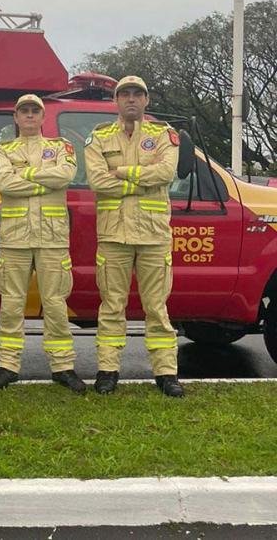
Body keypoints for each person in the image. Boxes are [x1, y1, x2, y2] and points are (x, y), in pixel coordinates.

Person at [85, 75, 183, 397]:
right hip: (114, 235)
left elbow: (166, 173)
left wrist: (124, 172)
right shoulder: (99, 137)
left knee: (157, 307)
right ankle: (108, 370)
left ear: (146, 100)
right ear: (115, 101)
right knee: (112, 305)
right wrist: (143, 181)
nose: (130, 99)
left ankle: (166, 374)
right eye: (124, 94)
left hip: (154, 236)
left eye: (136, 94)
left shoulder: (163, 135)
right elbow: (98, 181)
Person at [0, 94, 86, 393]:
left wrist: (24, 174)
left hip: (52, 239)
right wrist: (44, 178)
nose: (29, 116)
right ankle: (7, 366)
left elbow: (65, 175)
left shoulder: (61, 147)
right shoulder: (1, 149)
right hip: (15, 239)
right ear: (16, 118)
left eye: (35, 111)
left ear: (43, 118)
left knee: (56, 304)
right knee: (11, 304)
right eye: (24, 112)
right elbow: (4, 183)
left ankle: (63, 367)